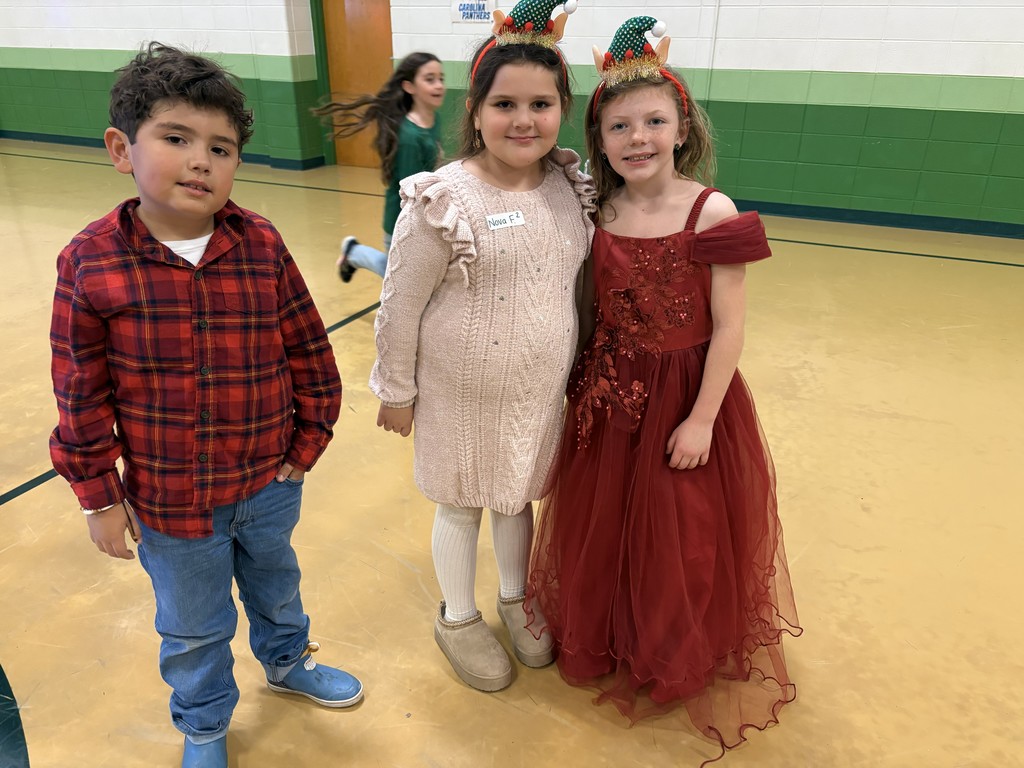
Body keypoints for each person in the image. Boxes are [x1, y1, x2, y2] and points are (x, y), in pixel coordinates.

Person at [49, 42, 362, 768]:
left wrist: (306, 446)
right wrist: (100, 499)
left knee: (277, 588)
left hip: (269, 482)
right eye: (177, 139)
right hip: (171, 504)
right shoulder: (90, 262)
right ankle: (204, 723)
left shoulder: (261, 245)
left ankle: (287, 663)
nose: (201, 161)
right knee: (193, 626)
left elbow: (309, 350)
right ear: (121, 149)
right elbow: (79, 393)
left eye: (220, 148)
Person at [526, 17, 802, 764]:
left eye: (653, 121)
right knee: (608, 525)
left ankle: (672, 645)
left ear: (683, 128)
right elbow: (588, 307)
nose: (637, 137)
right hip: (611, 397)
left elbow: (730, 326)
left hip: (685, 397)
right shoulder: (599, 210)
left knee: (682, 532)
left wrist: (703, 419)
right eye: (619, 126)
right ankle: (612, 633)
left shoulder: (711, 210)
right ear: (599, 137)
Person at [369, 0, 590, 693]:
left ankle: (515, 598)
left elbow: (574, 285)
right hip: (458, 394)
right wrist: (395, 390)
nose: (523, 120)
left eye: (540, 104)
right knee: (462, 500)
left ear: (561, 109)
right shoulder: (444, 201)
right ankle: (458, 616)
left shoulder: (568, 189)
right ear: (476, 109)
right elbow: (400, 304)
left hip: (536, 392)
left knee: (516, 495)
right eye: (505, 104)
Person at [314, 52, 445, 282]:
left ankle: (353, 252)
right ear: (409, 86)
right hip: (402, 221)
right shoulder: (409, 137)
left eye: (441, 78)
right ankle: (354, 253)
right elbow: (410, 196)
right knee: (399, 280)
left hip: (421, 219)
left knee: (400, 274)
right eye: (429, 79)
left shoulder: (435, 119)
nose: (439, 85)